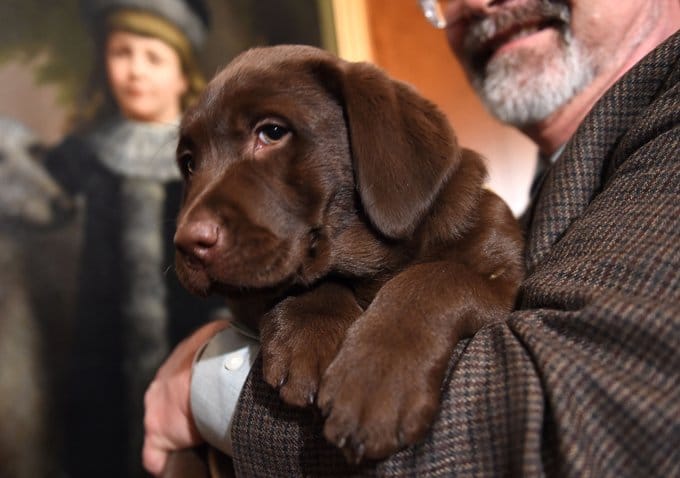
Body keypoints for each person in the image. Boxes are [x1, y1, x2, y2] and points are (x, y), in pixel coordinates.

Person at [143, 0, 680, 476]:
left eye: (271, 132)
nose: (476, 1)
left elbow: (576, 426)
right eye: (189, 163)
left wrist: (210, 386)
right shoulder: (560, 191)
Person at [44, 1, 223, 477]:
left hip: (195, 360)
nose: (135, 71)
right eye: (122, 52)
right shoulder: (73, 162)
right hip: (90, 371)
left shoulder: (213, 165)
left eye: (154, 57)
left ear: (183, 73)